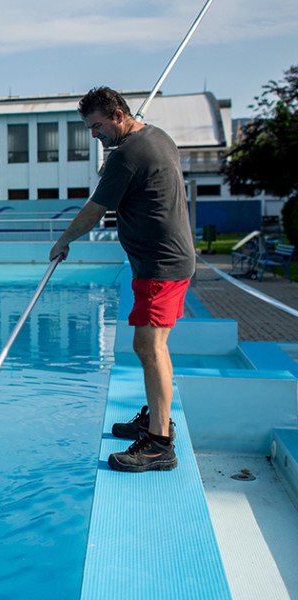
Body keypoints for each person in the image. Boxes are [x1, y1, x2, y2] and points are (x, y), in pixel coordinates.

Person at [49, 87, 195, 472]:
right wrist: (114, 164)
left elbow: (94, 211)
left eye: (97, 126)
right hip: (166, 261)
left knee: (150, 347)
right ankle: (154, 420)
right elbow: (135, 172)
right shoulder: (156, 137)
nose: (93, 134)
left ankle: (160, 444)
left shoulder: (127, 155)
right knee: (150, 345)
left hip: (160, 264)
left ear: (117, 115)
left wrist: (64, 240)